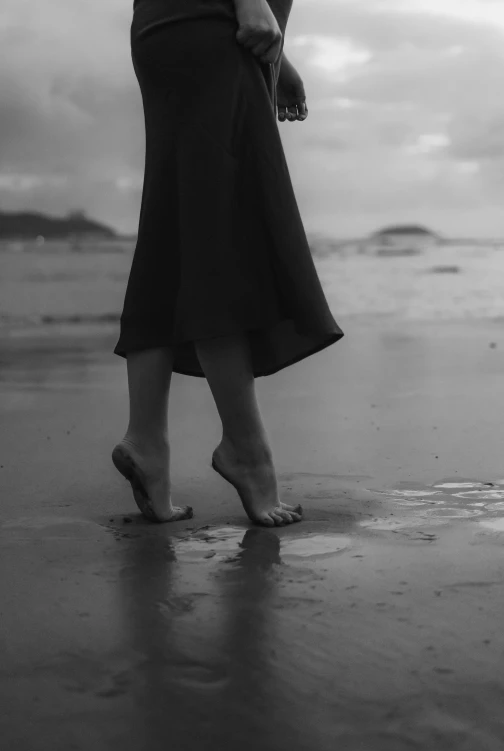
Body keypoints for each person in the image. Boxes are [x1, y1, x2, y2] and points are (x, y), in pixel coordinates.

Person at [112, 0, 344, 527]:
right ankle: (246, 450)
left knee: (176, 229)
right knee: (222, 235)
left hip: (178, 27)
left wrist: (278, 59)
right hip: (214, 24)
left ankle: (146, 440)